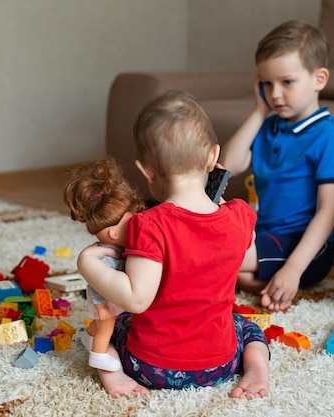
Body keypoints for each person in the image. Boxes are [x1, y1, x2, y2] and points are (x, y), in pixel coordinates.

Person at [77, 90, 270, 399]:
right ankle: (256, 366)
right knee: (246, 328)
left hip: (152, 367)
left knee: (105, 328)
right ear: (212, 156)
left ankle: (114, 376)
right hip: (219, 364)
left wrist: (86, 264)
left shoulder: (149, 225)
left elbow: (136, 300)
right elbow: (247, 259)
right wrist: (218, 205)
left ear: (145, 170)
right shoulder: (239, 216)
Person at [220, 20, 334, 312]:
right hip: (265, 234)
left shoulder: (330, 139)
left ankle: (277, 278)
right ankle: (263, 281)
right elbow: (227, 165)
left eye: (287, 82)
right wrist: (259, 111)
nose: (276, 94)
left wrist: (293, 268)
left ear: (319, 79)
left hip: (306, 248)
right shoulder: (269, 127)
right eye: (267, 84)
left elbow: (328, 212)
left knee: (220, 256)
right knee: (223, 248)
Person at [63, 157, 146, 372]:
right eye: (132, 221)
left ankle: (87, 338)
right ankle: (99, 356)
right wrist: (100, 306)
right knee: (106, 328)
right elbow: (99, 283)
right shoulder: (107, 256)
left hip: (111, 297)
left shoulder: (114, 248)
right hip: (104, 300)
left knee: (100, 326)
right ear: (114, 233)